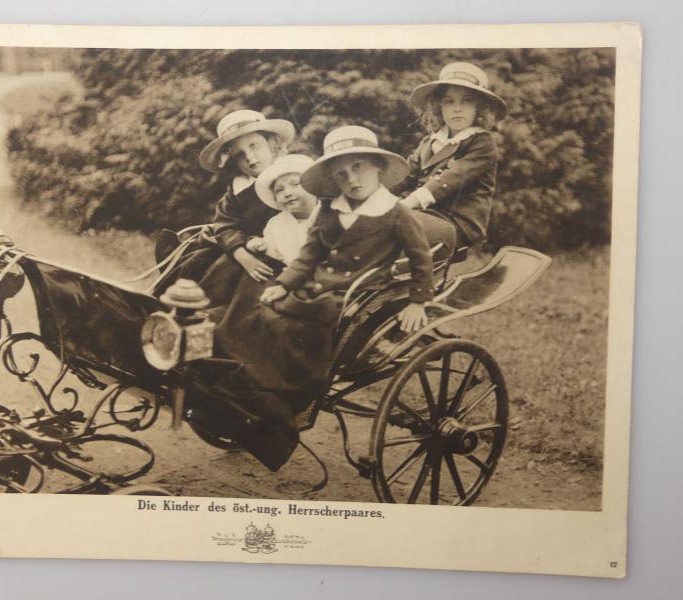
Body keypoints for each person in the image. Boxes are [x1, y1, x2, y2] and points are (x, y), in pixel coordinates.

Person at [207, 125, 434, 471]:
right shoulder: (330, 210)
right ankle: (251, 382)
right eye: (341, 174)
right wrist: (283, 283)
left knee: (289, 328)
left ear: (378, 168)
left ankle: (288, 390)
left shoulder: (396, 212)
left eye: (358, 168)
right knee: (264, 314)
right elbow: (308, 254)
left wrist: (418, 301)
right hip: (316, 284)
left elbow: (421, 258)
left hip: (356, 292)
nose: (352, 180)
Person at [159, 109, 295, 303]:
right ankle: (177, 305)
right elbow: (224, 224)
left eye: (254, 145)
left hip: (285, 250)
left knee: (244, 282)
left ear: (271, 143)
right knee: (202, 264)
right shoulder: (239, 189)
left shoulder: (292, 175)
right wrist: (240, 254)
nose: (249, 157)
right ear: (232, 160)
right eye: (240, 154)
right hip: (243, 251)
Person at [397, 61, 507, 259]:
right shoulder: (430, 142)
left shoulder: (482, 143)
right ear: (438, 106)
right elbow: (405, 177)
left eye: (466, 101)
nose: (457, 108)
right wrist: (374, 197)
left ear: (479, 108)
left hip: (457, 223)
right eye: (449, 101)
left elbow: (448, 181)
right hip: (426, 215)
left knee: (392, 223)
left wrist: (405, 205)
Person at [245, 154, 319, 266]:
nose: (287, 193)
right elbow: (273, 247)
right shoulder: (275, 224)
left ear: (312, 186)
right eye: (279, 190)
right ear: (274, 198)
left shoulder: (330, 214)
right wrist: (262, 245)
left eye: (295, 184)